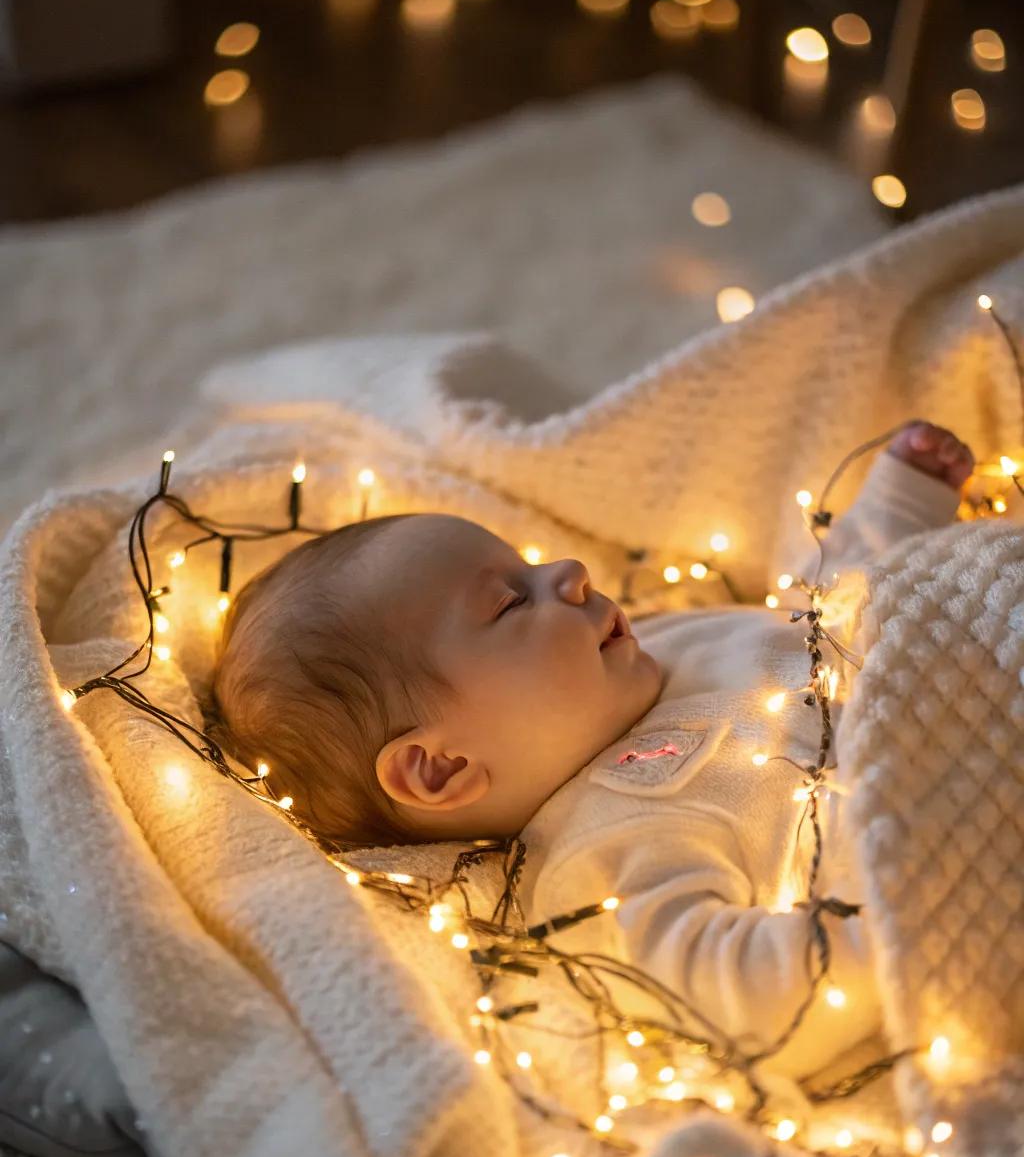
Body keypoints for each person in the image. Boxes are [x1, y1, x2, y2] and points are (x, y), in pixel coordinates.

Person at [209, 422, 973, 1078]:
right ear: (442, 767)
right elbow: (747, 998)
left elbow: (823, 609)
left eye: (530, 564)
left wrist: (901, 505)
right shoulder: (612, 842)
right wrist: (919, 924)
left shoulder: (659, 643)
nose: (567, 573)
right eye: (511, 599)